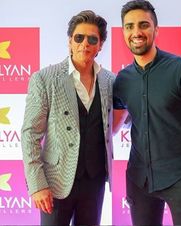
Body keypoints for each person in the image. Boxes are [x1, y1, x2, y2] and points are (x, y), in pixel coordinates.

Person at [113, 0, 181, 225]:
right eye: (129, 26)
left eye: (143, 25)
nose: (136, 32)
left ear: (156, 29)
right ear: (123, 31)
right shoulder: (122, 80)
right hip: (139, 179)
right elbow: (111, 127)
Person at [21, 10, 115, 226]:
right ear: (70, 41)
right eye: (79, 37)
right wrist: (37, 184)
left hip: (95, 181)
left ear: (100, 45)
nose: (85, 44)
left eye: (93, 39)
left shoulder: (109, 80)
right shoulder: (45, 78)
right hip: (55, 182)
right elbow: (30, 134)